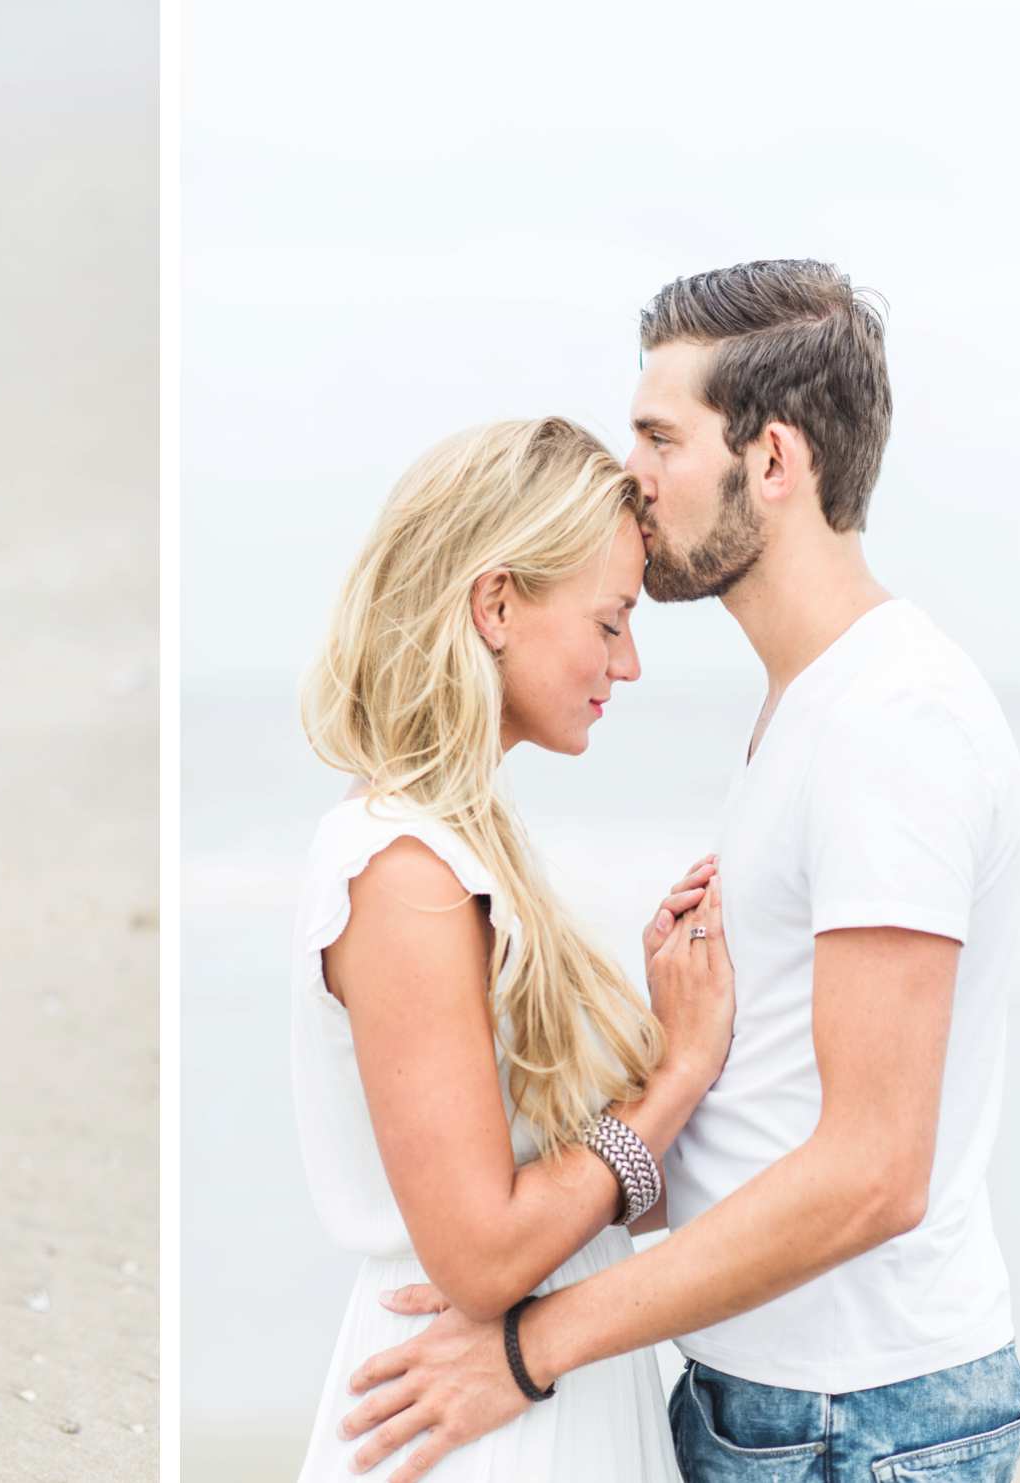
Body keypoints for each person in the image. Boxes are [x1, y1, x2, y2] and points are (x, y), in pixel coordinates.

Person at [341, 260, 1020, 1482]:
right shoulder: (809, 710)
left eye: (660, 437)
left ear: (772, 463)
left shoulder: (890, 723)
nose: (632, 476)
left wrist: (527, 1347)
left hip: (854, 1418)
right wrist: (673, 1068)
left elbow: (873, 1172)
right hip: (780, 1401)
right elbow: (779, 1116)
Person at [289, 415, 739, 1479]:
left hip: (519, 1393)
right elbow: (484, 1255)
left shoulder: (462, 847)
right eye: (610, 619)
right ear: (495, 604)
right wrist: (672, 1075)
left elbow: (553, 1185)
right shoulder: (401, 873)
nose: (626, 664)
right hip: (469, 1408)